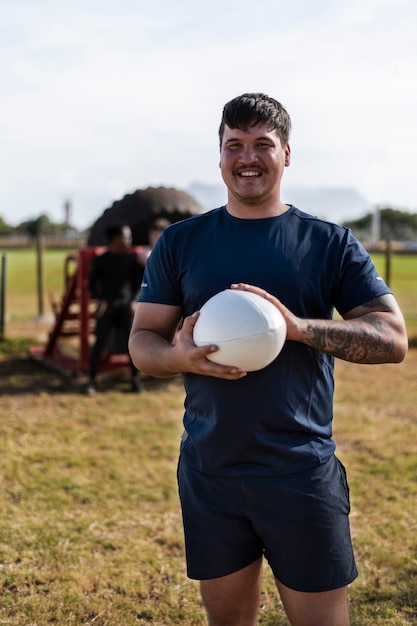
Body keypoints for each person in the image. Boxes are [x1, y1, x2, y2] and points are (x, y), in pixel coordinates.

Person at [128, 93, 408, 626]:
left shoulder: (329, 243)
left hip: (299, 472)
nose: (247, 157)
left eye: (262, 144)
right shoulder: (181, 242)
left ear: (286, 154)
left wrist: (300, 329)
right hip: (211, 469)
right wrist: (180, 356)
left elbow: (393, 339)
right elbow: (143, 342)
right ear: (220, 156)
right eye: (235, 145)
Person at [86, 223, 143, 395]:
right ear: (115, 239)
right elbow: (90, 285)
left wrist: (134, 301)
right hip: (108, 308)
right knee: (99, 343)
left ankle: (135, 380)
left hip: (126, 308)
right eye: (126, 237)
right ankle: (91, 381)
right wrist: (101, 299)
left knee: (133, 345)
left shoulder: (131, 260)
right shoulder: (102, 260)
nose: (129, 240)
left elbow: (139, 285)